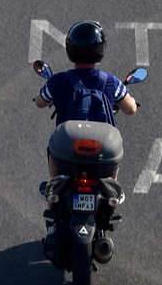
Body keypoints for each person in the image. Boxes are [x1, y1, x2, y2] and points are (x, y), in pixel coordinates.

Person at [32, 21, 138, 178]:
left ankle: (54, 185)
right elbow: (131, 109)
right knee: (115, 150)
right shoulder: (111, 82)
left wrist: (45, 99)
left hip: (68, 143)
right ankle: (112, 186)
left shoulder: (58, 81)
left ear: (70, 49)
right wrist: (133, 100)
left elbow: (40, 102)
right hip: (103, 146)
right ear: (100, 50)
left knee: (52, 147)